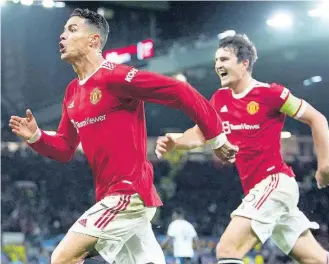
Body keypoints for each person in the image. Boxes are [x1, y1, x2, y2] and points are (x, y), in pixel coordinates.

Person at [9, 9, 239, 264]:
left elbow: (180, 91)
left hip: (128, 194)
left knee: (63, 257)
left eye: (72, 30)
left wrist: (217, 139)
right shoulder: (72, 92)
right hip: (112, 196)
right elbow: (64, 147)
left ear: (93, 40)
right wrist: (36, 137)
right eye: (63, 31)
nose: (62, 36)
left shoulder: (116, 76)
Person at [155, 34, 329, 264]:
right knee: (317, 260)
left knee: (227, 250)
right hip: (259, 189)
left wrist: (324, 166)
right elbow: (199, 134)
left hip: (275, 183)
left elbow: (317, 119)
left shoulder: (271, 94)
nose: (218, 66)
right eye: (216, 60)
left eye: (224, 59)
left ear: (244, 63)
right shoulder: (220, 99)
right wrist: (175, 142)